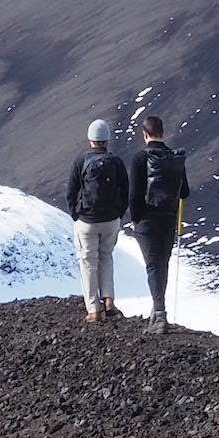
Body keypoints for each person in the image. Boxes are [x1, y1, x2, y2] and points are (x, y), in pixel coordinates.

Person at [126, 113, 189, 334]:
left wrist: (134, 219)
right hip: (169, 219)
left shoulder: (139, 158)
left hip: (146, 220)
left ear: (145, 134)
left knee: (153, 265)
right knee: (162, 264)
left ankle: (159, 315)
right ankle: (157, 311)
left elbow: (134, 194)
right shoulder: (174, 157)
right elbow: (185, 191)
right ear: (163, 132)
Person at [65, 118, 130, 323]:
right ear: (107, 140)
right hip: (110, 220)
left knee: (88, 262)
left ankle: (94, 310)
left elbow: (71, 190)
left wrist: (76, 215)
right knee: (106, 257)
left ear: (90, 140)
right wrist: (118, 213)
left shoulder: (81, 160)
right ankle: (109, 301)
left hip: (87, 220)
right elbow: (125, 190)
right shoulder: (116, 162)